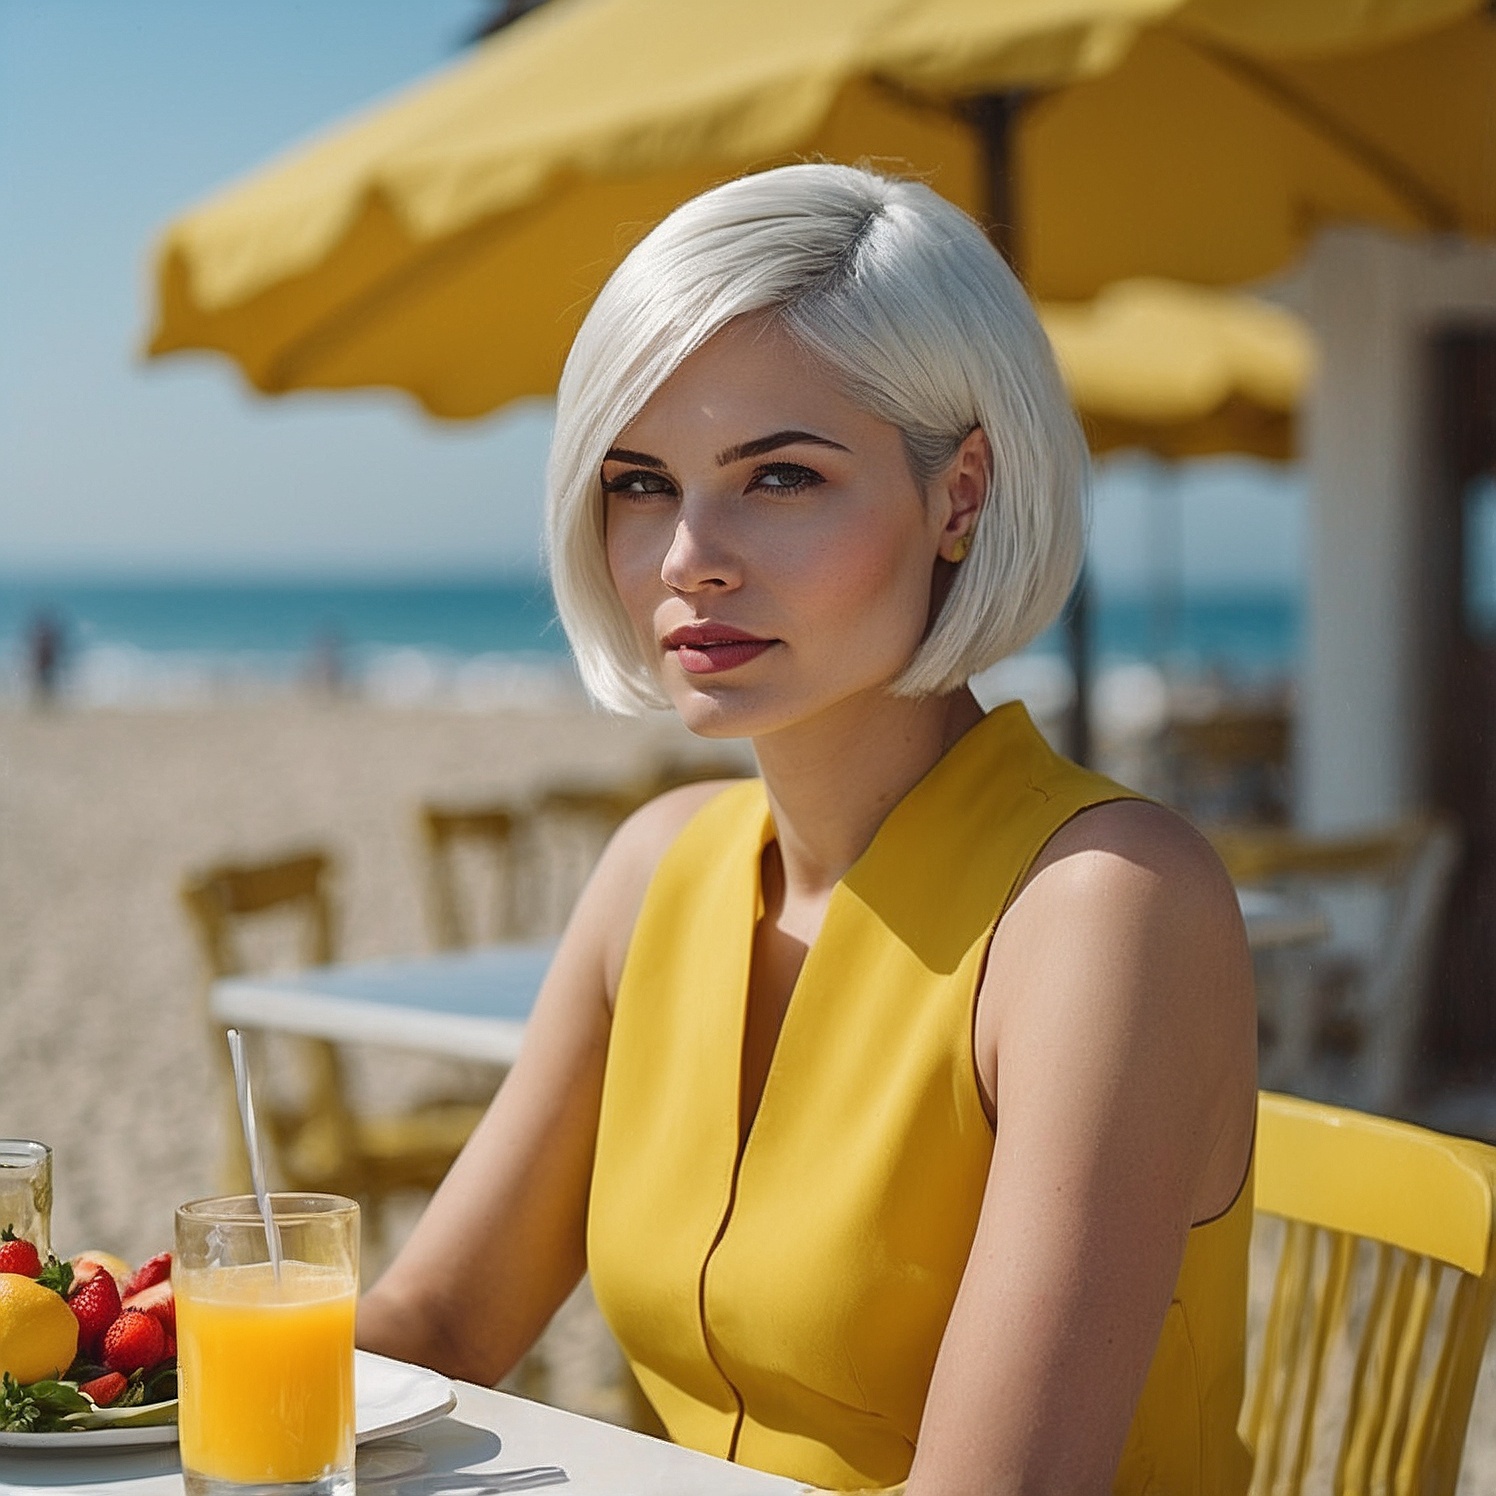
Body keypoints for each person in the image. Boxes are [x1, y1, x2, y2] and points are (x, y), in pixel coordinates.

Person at [358, 163, 1257, 1496]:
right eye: (641, 482)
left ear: (961, 496)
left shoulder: (1102, 910)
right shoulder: (661, 868)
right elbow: (437, 1327)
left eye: (779, 477)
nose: (687, 559)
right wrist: (112, 1382)